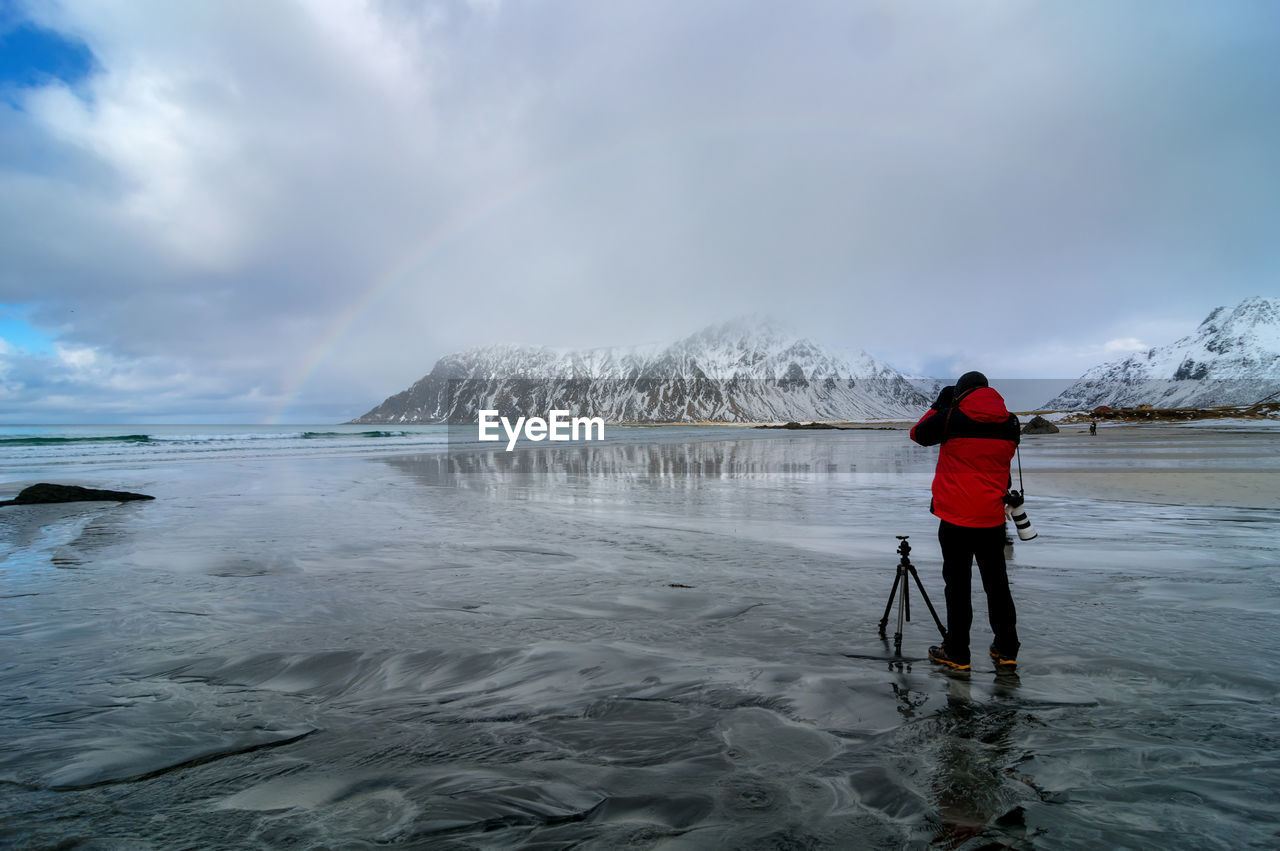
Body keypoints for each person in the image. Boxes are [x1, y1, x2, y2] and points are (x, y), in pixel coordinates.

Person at [909, 371, 1021, 673]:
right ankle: (1007, 650)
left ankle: (957, 652)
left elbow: (918, 434)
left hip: (956, 517)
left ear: (960, 393)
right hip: (992, 517)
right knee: (997, 586)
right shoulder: (1010, 422)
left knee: (958, 587)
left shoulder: (951, 418)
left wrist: (939, 406)